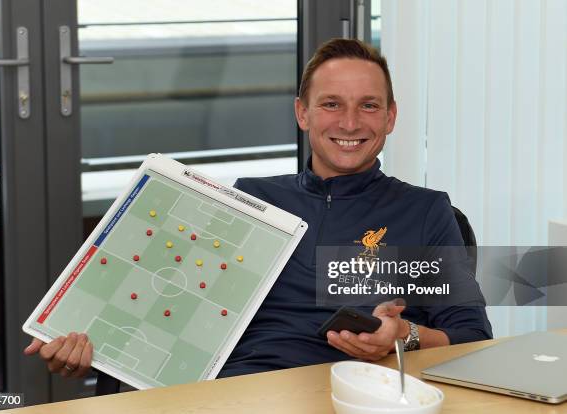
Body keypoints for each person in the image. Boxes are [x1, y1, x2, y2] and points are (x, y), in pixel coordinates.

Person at [25, 38, 492, 380]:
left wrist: (403, 336)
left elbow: (473, 337)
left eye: (368, 106)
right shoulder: (249, 200)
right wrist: (86, 346)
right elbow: (161, 304)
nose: (350, 122)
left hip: (352, 392)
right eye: (331, 104)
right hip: (228, 392)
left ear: (390, 117)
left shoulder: (426, 210)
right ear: (302, 114)